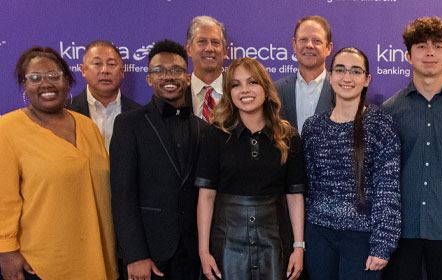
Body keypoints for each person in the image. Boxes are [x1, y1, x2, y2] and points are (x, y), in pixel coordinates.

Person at [0, 46, 117, 279]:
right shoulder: (5, 131)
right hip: (39, 264)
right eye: (35, 78)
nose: (46, 84)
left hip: (93, 258)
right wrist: (6, 253)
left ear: (67, 82)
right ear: (24, 85)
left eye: (54, 76)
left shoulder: (87, 127)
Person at [196, 57, 307, 280]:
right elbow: (206, 196)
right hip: (226, 242)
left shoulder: (289, 137)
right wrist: (203, 250)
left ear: (266, 89)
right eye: (236, 84)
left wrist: (298, 247)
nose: (244, 90)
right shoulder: (215, 134)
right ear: (229, 93)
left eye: (252, 82)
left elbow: (294, 196)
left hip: (275, 241)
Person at [381, 16, 442, 280]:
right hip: (401, 230)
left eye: (438, 46)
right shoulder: (389, 111)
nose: (430, 52)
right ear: (408, 56)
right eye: (421, 46)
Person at [109, 39, 206, 280]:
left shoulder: (204, 129)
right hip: (149, 254)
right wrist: (134, 254)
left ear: (188, 77)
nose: (168, 76)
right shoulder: (128, 124)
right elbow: (122, 195)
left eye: (176, 70)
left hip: (194, 254)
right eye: (159, 71)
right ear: (149, 78)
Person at [302, 47, 401, 280]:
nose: (347, 78)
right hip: (319, 236)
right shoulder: (312, 127)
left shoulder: (381, 125)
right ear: (330, 76)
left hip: (362, 240)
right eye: (340, 70)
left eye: (356, 71)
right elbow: (308, 187)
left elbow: (387, 190)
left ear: (367, 79)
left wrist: (382, 244)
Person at [66, 40, 141, 150]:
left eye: (111, 64)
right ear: (83, 70)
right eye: (97, 64)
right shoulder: (67, 111)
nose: (105, 70)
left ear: (122, 71)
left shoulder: (138, 114)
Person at [275, 15, 336, 131]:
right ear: (294, 45)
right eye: (303, 40)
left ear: (328, 48)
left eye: (317, 41)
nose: (309, 45)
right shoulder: (275, 90)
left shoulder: (340, 91)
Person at [186, 16, 228, 121]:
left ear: (225, 52)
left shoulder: (237, 91)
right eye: (202, 41)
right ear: (188, 49)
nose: (209, 48)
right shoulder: (178, 92)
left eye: (215, 42)